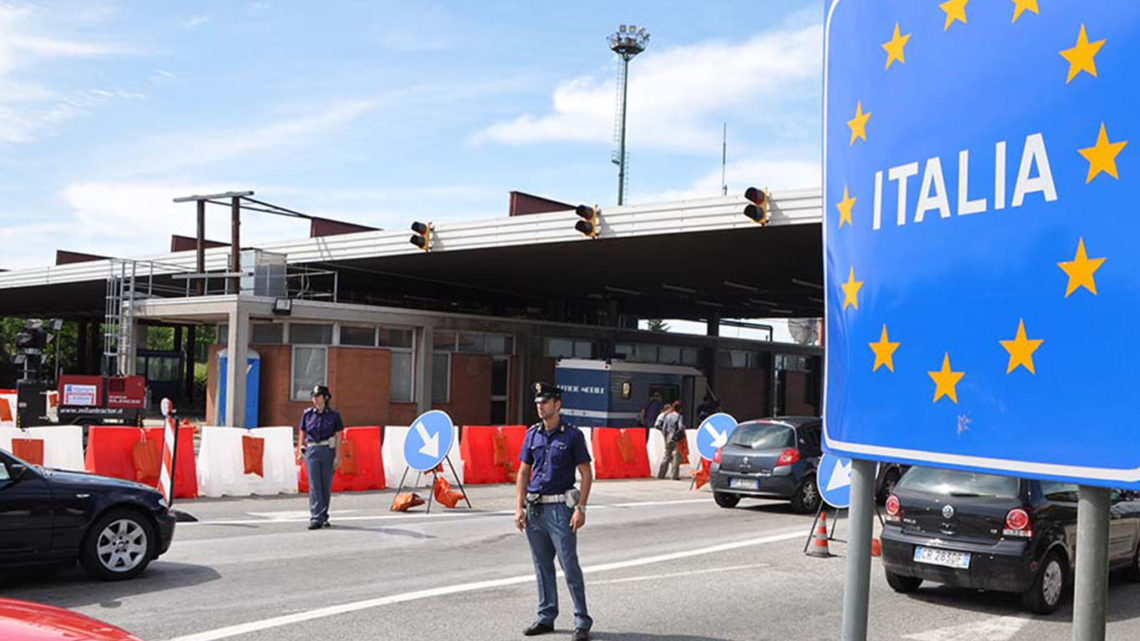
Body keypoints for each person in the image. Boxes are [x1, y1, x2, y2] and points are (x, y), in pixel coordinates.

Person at [515, 382, 593, 641]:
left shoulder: (572, 436)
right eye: (538, 402)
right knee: (541, 565)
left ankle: (581, 620)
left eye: (545, 402)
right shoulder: (532, 434)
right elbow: (523, 472)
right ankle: (546, 616)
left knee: (569, 566)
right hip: (534, 508)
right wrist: (518, 507)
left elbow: (586, 473)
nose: (540, 406)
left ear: (557, 404)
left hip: (561, 508)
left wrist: (581, 508)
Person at [296, 384, 343, 530]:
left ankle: (323, 516)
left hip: (327, 449)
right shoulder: (308, 414)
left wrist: (338, 456)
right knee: (314, 484)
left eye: (318, 396)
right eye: (313, 396)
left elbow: (339, 436)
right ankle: (316, 517)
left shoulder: (333, 415)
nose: (315, 399)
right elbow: (302, 432)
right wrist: (300, 451)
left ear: (325, 398)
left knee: (325, 485)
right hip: (312, 450)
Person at [657, 401, 686, 480]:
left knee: (667, 455)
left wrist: (665, 437)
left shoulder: (668, 416)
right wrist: (680, 434)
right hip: (676, 438)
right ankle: (674, 475)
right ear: (680, 409)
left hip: (668, 437)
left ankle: (661, 474)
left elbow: (664, 428)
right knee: (676, 456)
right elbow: (680, 427)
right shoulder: (679, 416)